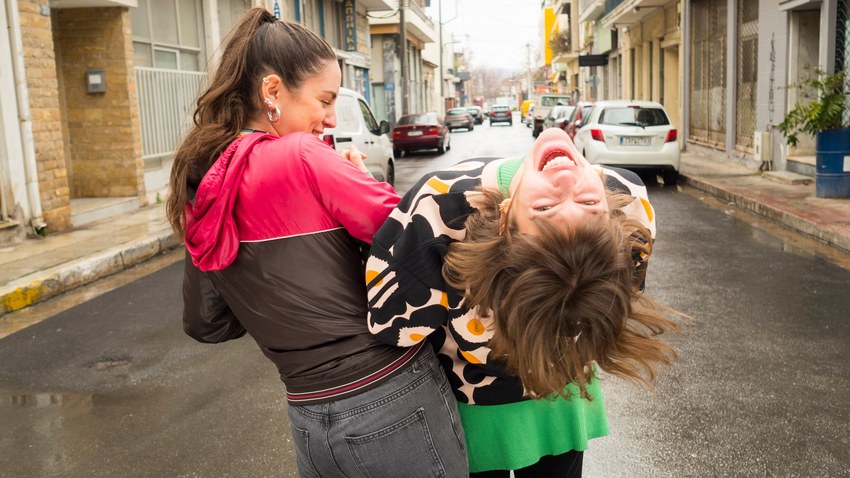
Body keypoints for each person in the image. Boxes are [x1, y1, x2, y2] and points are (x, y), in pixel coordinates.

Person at [166, 8, 467, 477]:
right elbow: (417, 236)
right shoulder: (304, 157)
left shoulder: (204, 185)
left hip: (307, 416)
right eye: (324, 100)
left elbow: (208, 323)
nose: (330, 118)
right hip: (390, 396)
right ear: (272, 91)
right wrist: (357, 180)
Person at [365, 127, 678, 477]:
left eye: (545, 208)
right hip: (560, 390)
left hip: (475, 403)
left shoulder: (437, 208)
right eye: (590, 204)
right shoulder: (629, 196)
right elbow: (625, 293)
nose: (566, 181)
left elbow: (394, 327)